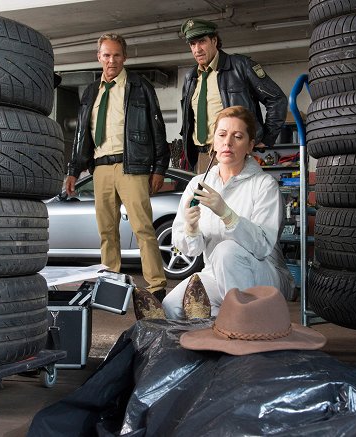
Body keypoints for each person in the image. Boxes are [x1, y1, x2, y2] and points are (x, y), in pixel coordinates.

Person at [65, 33, 169, 307]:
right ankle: (111, 280)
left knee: (143, 228)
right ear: (99, 57)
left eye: (117, 55)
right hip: (100, 169)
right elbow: (82, 136)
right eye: (106, 55)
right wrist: (74, 169)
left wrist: (159, 167)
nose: (112, 60)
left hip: (131, 166)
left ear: (125, 57)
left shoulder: (139, 86)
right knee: (106, 231)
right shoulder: (90, 92)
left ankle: (157, 286)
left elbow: (157, 128)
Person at [162, 106, 294, 319]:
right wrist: (191, 228)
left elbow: (262, 247)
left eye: (238, 136)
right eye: (222, 135)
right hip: (215, 273)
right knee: (172, 307)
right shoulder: (198, 184)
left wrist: (226, 213)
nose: (228, 142)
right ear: (213, 142)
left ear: (250, 145)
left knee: (226, 251)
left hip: (263, 274)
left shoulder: (263, 185)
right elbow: (191, 250)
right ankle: (215, 336)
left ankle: (244, 329)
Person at [179, 18, 287, 173]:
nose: (197, 49)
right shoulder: (190, 77)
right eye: (192, 44)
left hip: (235, 152)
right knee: (206, 197)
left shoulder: (240, 66)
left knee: (237, 197)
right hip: (202, 156)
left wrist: (266, 138)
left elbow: (276, 99)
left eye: (202, 41)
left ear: (214, 40)